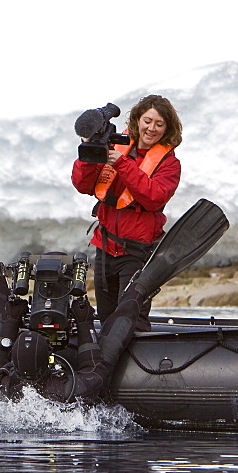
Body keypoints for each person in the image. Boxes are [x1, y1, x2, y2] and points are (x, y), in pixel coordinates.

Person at [71, 95, 183, 331]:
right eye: (147, 121)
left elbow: (154, 197)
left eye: (159, 124)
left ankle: (135, 365)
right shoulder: (114, 145)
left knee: (131, 319)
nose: (151, 128)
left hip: (137, 252)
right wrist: (90, 148)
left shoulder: (169, 164)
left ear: (167, 128)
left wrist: (122, 164)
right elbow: (83, 185)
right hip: (105, 247)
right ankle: (106, 362)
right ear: (137, 120)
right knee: (106, 315)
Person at [0, 273, 151, 403]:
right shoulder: (67, 389)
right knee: (106, 358)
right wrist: (85, 323)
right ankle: (139, 289)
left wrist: (11, 320)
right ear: (49, 359)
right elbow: (96, 368)